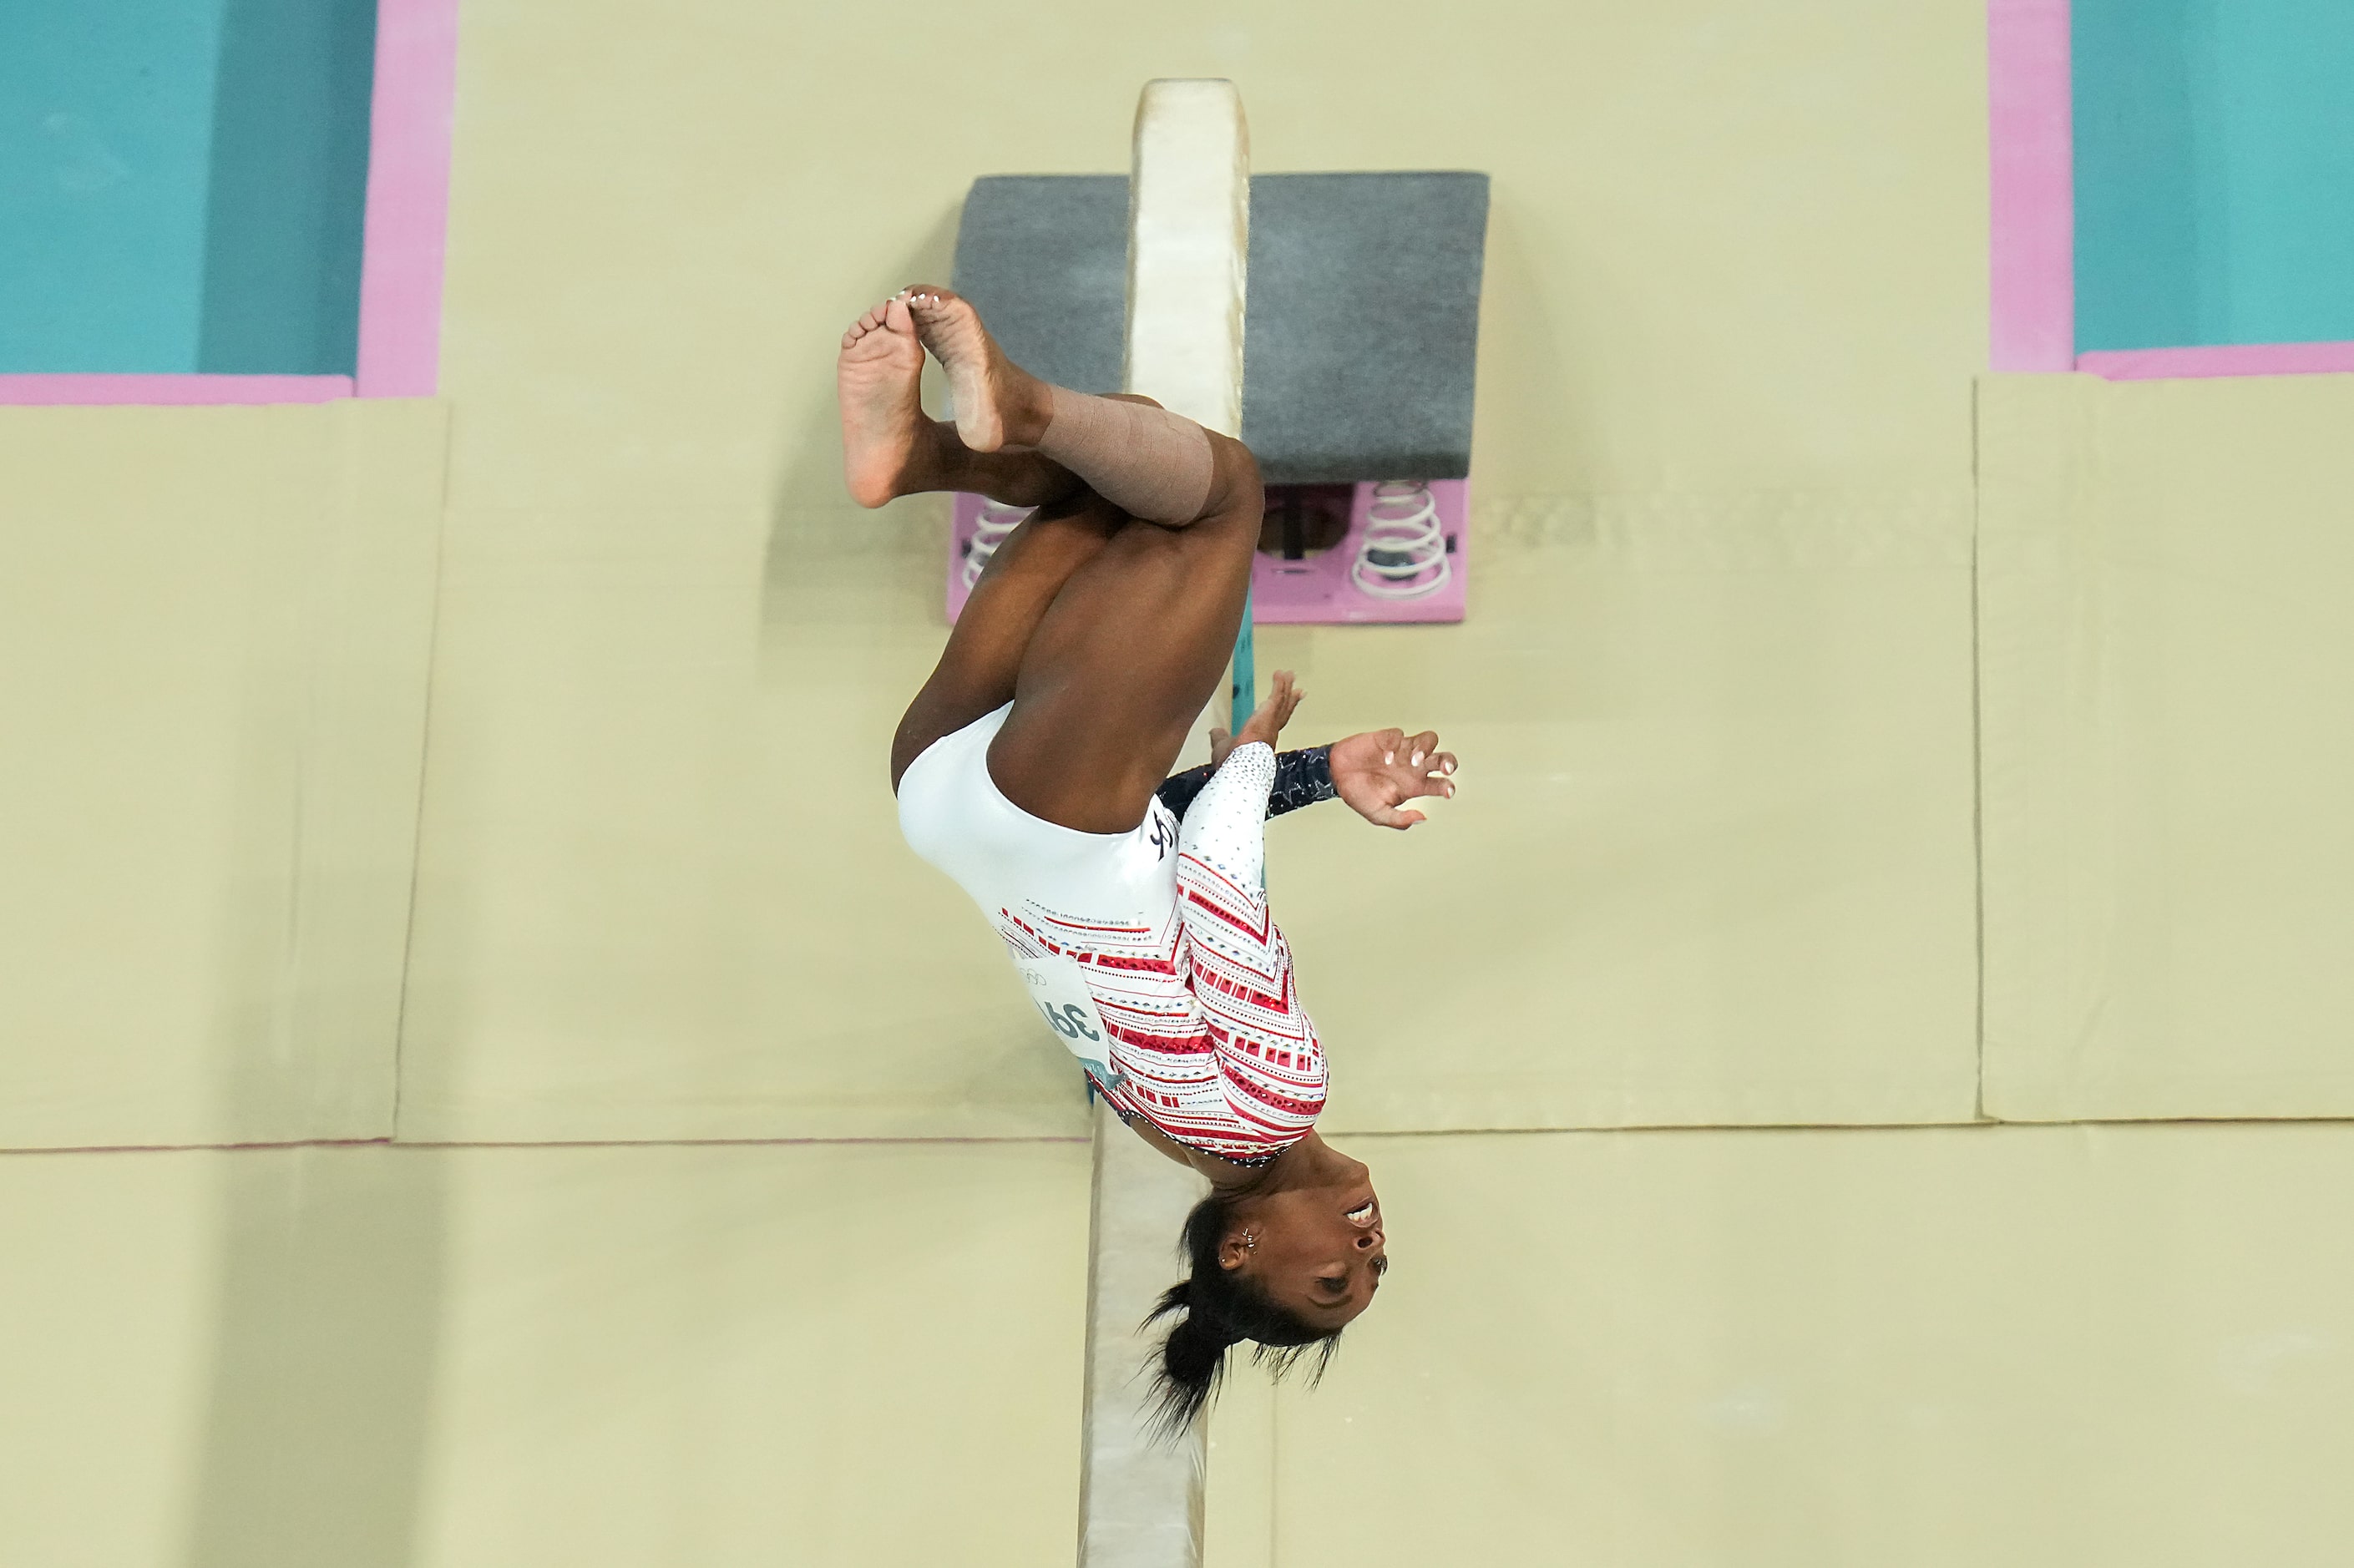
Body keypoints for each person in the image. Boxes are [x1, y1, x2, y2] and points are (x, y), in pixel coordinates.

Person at [838, 286, 1457, 1429]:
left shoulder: (1278, 1103)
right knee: (1123, 464)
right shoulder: (1162, 1124)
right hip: (953, 805)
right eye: (1378, 1269)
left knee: (1220, 498)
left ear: (1244, 1245)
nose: (1368, 1248)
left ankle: (998, 410)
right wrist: (1316, 777)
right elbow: (1163, 863)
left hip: (1058, 814)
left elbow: (1217, 885)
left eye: (1332, 1276)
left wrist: (1261, 757)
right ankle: (913, 456)